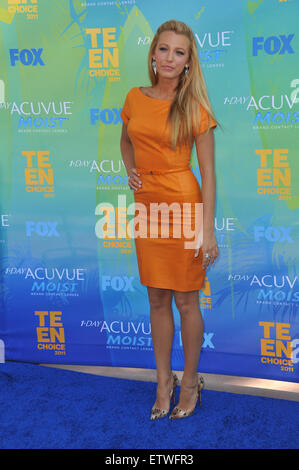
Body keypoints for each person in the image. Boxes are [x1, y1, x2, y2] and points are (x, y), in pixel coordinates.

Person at [120, 19, 219, 420]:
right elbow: (126, 140)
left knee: (186, 299)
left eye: (179, 52)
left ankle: (191, 380)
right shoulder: (134, 97)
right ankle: (164, 381)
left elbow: (209, 173)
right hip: (148, 206)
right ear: (153, 53)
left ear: (188, 61)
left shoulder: (194, 106)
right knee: (156, 298)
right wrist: (131, 170)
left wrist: (207, 228)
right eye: (164, 49)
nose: (169, 58)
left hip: (183, 205)